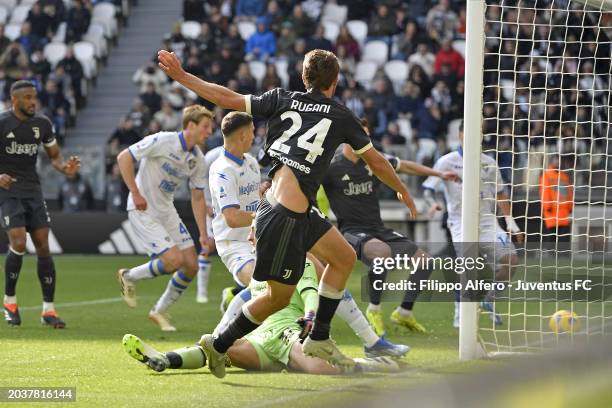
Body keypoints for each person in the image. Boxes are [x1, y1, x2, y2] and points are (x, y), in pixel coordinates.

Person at [157, 48, 416, 378]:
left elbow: (226, 97)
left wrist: (183, 77)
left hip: (294, 209)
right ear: (335, 82)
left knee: (344, 257)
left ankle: (318, 337)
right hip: (284, 214)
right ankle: (219, 344)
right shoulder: (341, 115)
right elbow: (377, 161)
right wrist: (403, 189)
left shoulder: (282, 98)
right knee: (278, 298)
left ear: (304, 78)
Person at [122, 255, 402, 375]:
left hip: (288, 334)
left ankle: (375, 364)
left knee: (322, 370)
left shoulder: (297, 259)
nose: (250, 237)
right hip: (259, 340)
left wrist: (310, 315)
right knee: (218, 346)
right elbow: (244, 305)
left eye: (255, 232)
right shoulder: (257, 271)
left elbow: (309, 292)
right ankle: (163, 359)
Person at [321, 120, 460, 337]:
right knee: (382, 253)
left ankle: (404, 312)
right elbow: (305, 180)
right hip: (351, 232)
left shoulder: (374, 161)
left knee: (425, 261)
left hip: (378, 229)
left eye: (366, 136)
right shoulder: (332, 167)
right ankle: (374, 310)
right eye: (359, 136)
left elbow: (405, 165)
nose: (363, 141)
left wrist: (438, 175)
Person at [115, 105, 213, 332]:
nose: (209, 132)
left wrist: (203, 234)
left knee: (191, 265)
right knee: (173, 261)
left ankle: (159, 310)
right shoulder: (162, 140)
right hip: (144, 209)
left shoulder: (198, 159)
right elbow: (123, 158)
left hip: (166, 211)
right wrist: (135, 192)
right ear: (191, 125)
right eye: (206, 127)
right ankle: (127, 276)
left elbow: (197, 198)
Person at [423, 120, 524, 327]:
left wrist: (511, 222)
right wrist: (433, 204)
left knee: (511, 261)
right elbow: (428, 189)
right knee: (468, 265)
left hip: (488, 222)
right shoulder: (446, 162)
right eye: (469, 132)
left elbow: (501, 193)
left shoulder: (488, 162)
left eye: (478, 132)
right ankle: (460, 312)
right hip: (460, 222)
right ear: (460, 135)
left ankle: (489, 300)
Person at [1, 80, 80, 328]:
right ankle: (10, 302)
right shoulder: (2, 123)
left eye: (34, 97)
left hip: (33, 190)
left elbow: (54, 156)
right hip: (7, 191)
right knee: (18, 242)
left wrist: (64, 168)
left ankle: (48, 310)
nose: (33, 101)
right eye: (27, 97)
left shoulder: (42, 124)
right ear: (15, 100)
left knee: (44, 246)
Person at [208, 112, 260, 309]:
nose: (254, 136)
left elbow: (256, 200)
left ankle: (234, 296)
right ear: (243, 135)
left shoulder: (251, 162)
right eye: (252, 132)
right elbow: (232, 218)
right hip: (234, 242)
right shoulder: (222, 170)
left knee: (285, 283)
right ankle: (221, 337)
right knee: (262, 287)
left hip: (257, 237)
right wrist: (267, 216)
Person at [539, 155, 573, 243]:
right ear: (551, 161)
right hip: (552, 211)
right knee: (551, 238)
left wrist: (570, 207)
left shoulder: (564, 176)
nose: (557, 162)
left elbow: (569, 192)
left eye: (559, 160)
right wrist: (547, 206)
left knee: (564, 239)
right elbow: (544, 191)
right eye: (555, 160)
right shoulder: (546, 175)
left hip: (564, 212)